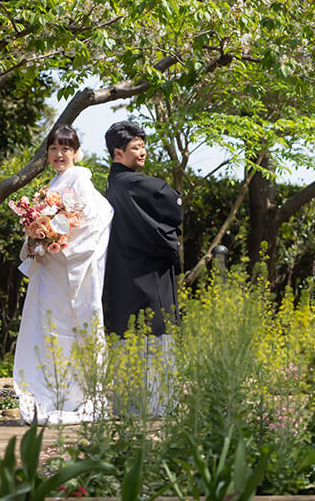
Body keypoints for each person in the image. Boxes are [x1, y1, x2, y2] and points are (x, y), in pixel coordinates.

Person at [13, 124, 111, 425]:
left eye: (65, 149)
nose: (59, 155)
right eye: (54, 149)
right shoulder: (53, 183)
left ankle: (76, 396)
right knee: (44, 328)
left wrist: (59, 242)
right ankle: (47, 392)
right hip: (50, 271)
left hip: (66, 267)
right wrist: (36, 237)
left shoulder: (79, 178)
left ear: (76, 152)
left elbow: (95, 219)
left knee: (70, 328)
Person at [102, 120, 183, 412]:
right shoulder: (138, 184)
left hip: (120, 279)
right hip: (148, 278)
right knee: (153, 337)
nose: (143, 152)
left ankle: (129, 407)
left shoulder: (111, 187)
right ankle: (157, 407)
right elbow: (172, 204)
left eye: (143, 146)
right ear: (118, 153)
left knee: (127, 338)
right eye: (136, 147)